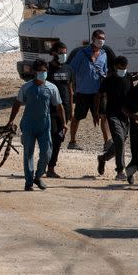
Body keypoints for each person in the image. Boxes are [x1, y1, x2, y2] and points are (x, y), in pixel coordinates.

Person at [7, 59, 67, 191]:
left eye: (44, 71)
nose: (42, 73)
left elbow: (59, 106)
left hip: (45, 125)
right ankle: (28, 181)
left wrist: (64, 123)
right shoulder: (26, 87)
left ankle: (38, 176)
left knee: (46, 152)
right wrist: (11, 120)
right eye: (40, 71)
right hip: (28, 124)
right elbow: (17, 104)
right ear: (35, 72)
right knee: (28, 153)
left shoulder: (52, 88)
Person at [68, 30, 109, 150]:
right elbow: (72, 70)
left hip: (99, 93)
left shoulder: (104, 54)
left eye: (103, 38)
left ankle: (107, 142)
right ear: (93, 38)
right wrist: (71, 88)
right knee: (78, 117)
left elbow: (104, 71)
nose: (101, 40)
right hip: (84, 92)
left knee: (103, 116)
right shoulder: (82, 53)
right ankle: (72, 141)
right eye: (99, 38)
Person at [97, 56, 132, 180]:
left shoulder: (128, 78)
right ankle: (120, 171)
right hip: (112, 114)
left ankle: (103, 158)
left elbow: (131, 96)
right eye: (121, 68)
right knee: (119, 139)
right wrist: (101, 111)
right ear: (115, 67)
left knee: (119, 143)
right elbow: (102, 96)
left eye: (125, 68)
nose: (123, 70)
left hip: (126, 116)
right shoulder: (108, 80)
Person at [45, 41, 74, 178]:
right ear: (54, 53)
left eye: (65, 53)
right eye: (61, 53)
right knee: (51, 138)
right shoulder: (47, 69)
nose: (63, 55)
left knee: (59, 139)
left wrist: (71, 110)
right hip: (50, 110)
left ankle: (51, 167)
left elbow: (70, 90)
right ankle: (46, 165)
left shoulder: (68, 69)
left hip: (65, 110)